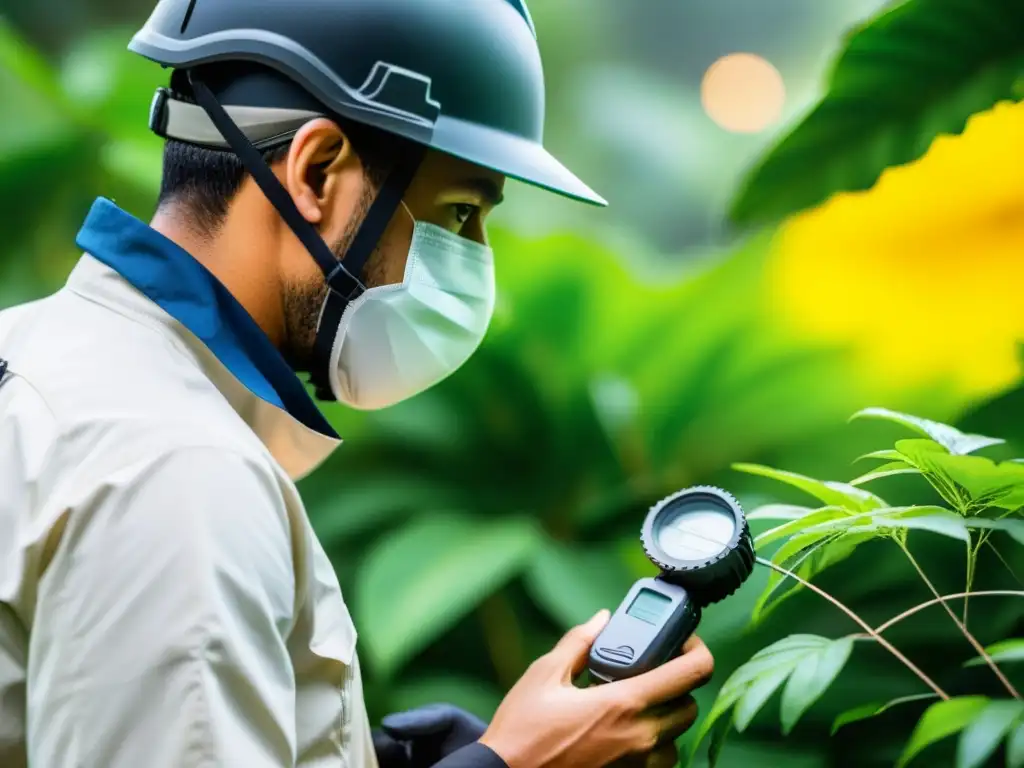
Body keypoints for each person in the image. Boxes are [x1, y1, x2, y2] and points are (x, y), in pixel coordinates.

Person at [0, 0, 715, 766]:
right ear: (317, 172)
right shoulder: (178, 475)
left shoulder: (36, 351)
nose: (472, 257)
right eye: (461, 212)